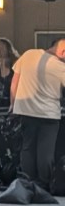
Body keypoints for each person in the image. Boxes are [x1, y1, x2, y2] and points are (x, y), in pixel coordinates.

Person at [9, 38, 65, 192]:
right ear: (63, 51)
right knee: (45, 152)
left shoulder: (28, 55)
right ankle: (44, 185)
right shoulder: (60, 67)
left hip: (25, 111)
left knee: (27, 148)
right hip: (49, 114)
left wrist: (13, 104)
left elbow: (14, 82)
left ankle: (27, 182)